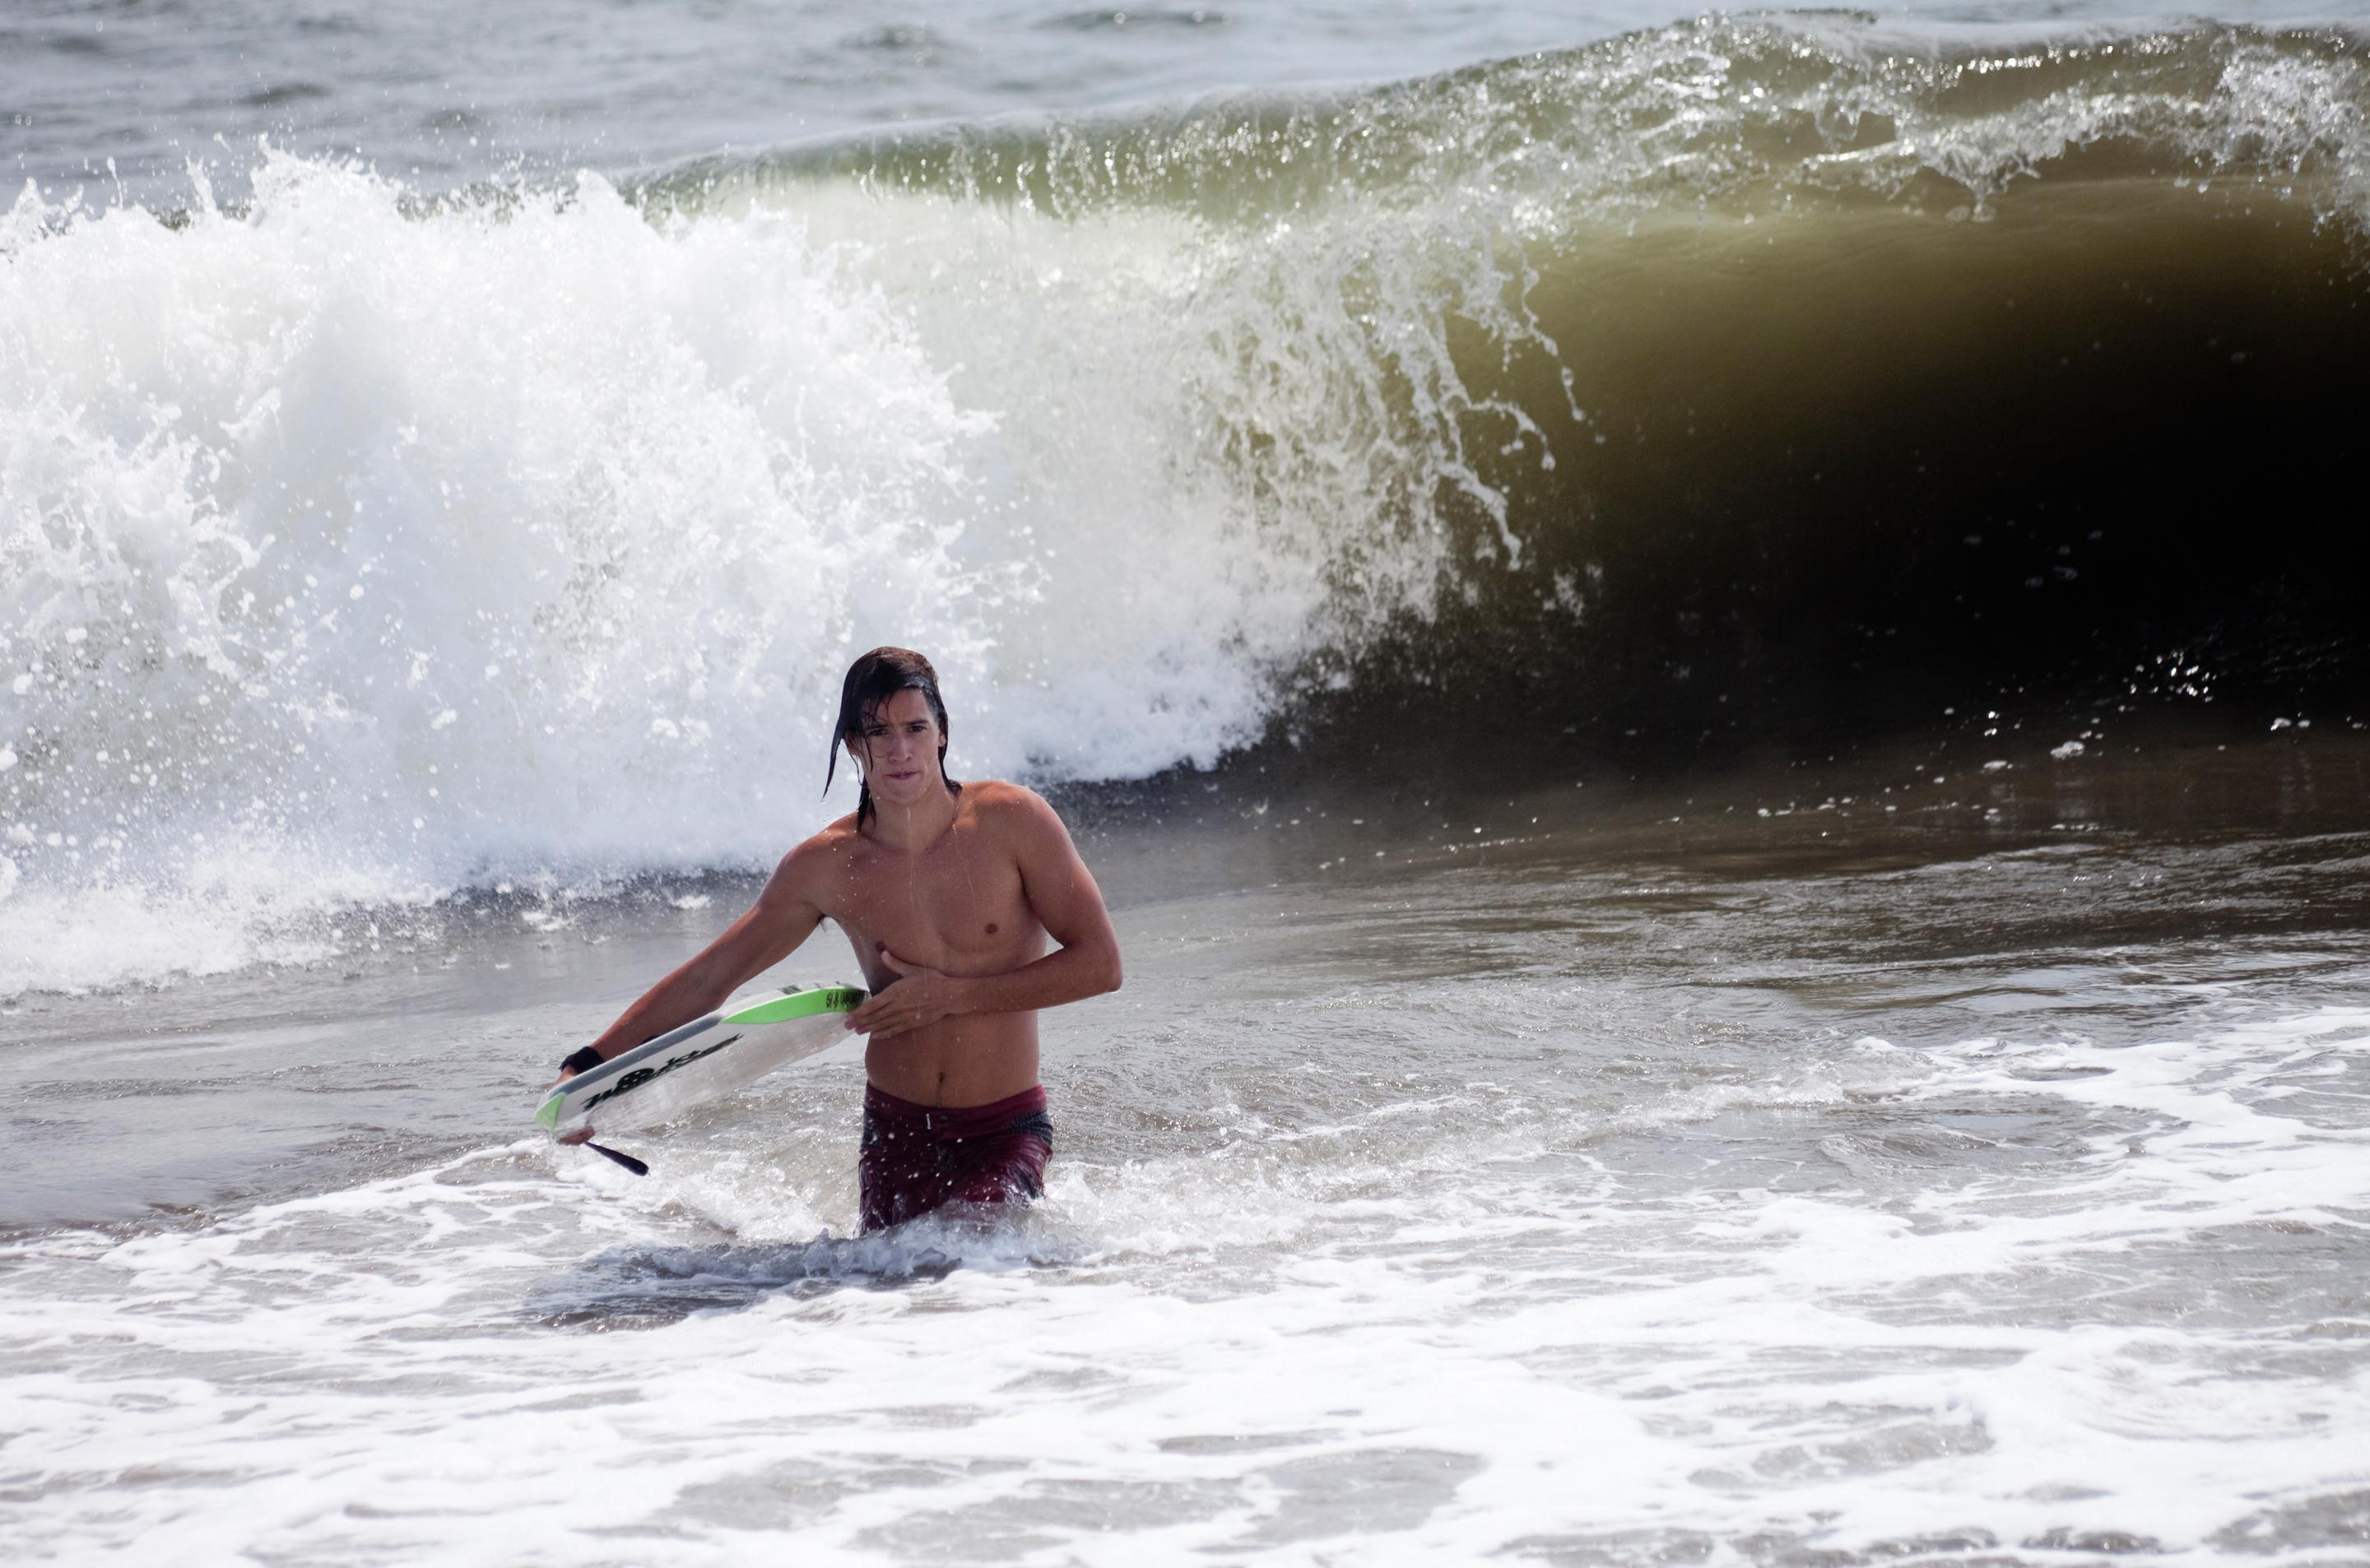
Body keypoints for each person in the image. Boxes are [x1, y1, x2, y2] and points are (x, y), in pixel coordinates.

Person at [550, 647, 1122, 1231]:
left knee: (974, 1255)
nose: (900, 750)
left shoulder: (1013, 823)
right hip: (895, 1132)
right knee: (886, 1302)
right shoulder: (826, 867)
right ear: (853, 743)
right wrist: (587, 1072)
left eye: (915, 728)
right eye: (878, 732)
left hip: (1001, 1129)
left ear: (942, 734)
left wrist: (950, 995)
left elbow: (1101, 965)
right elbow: (711, 979)